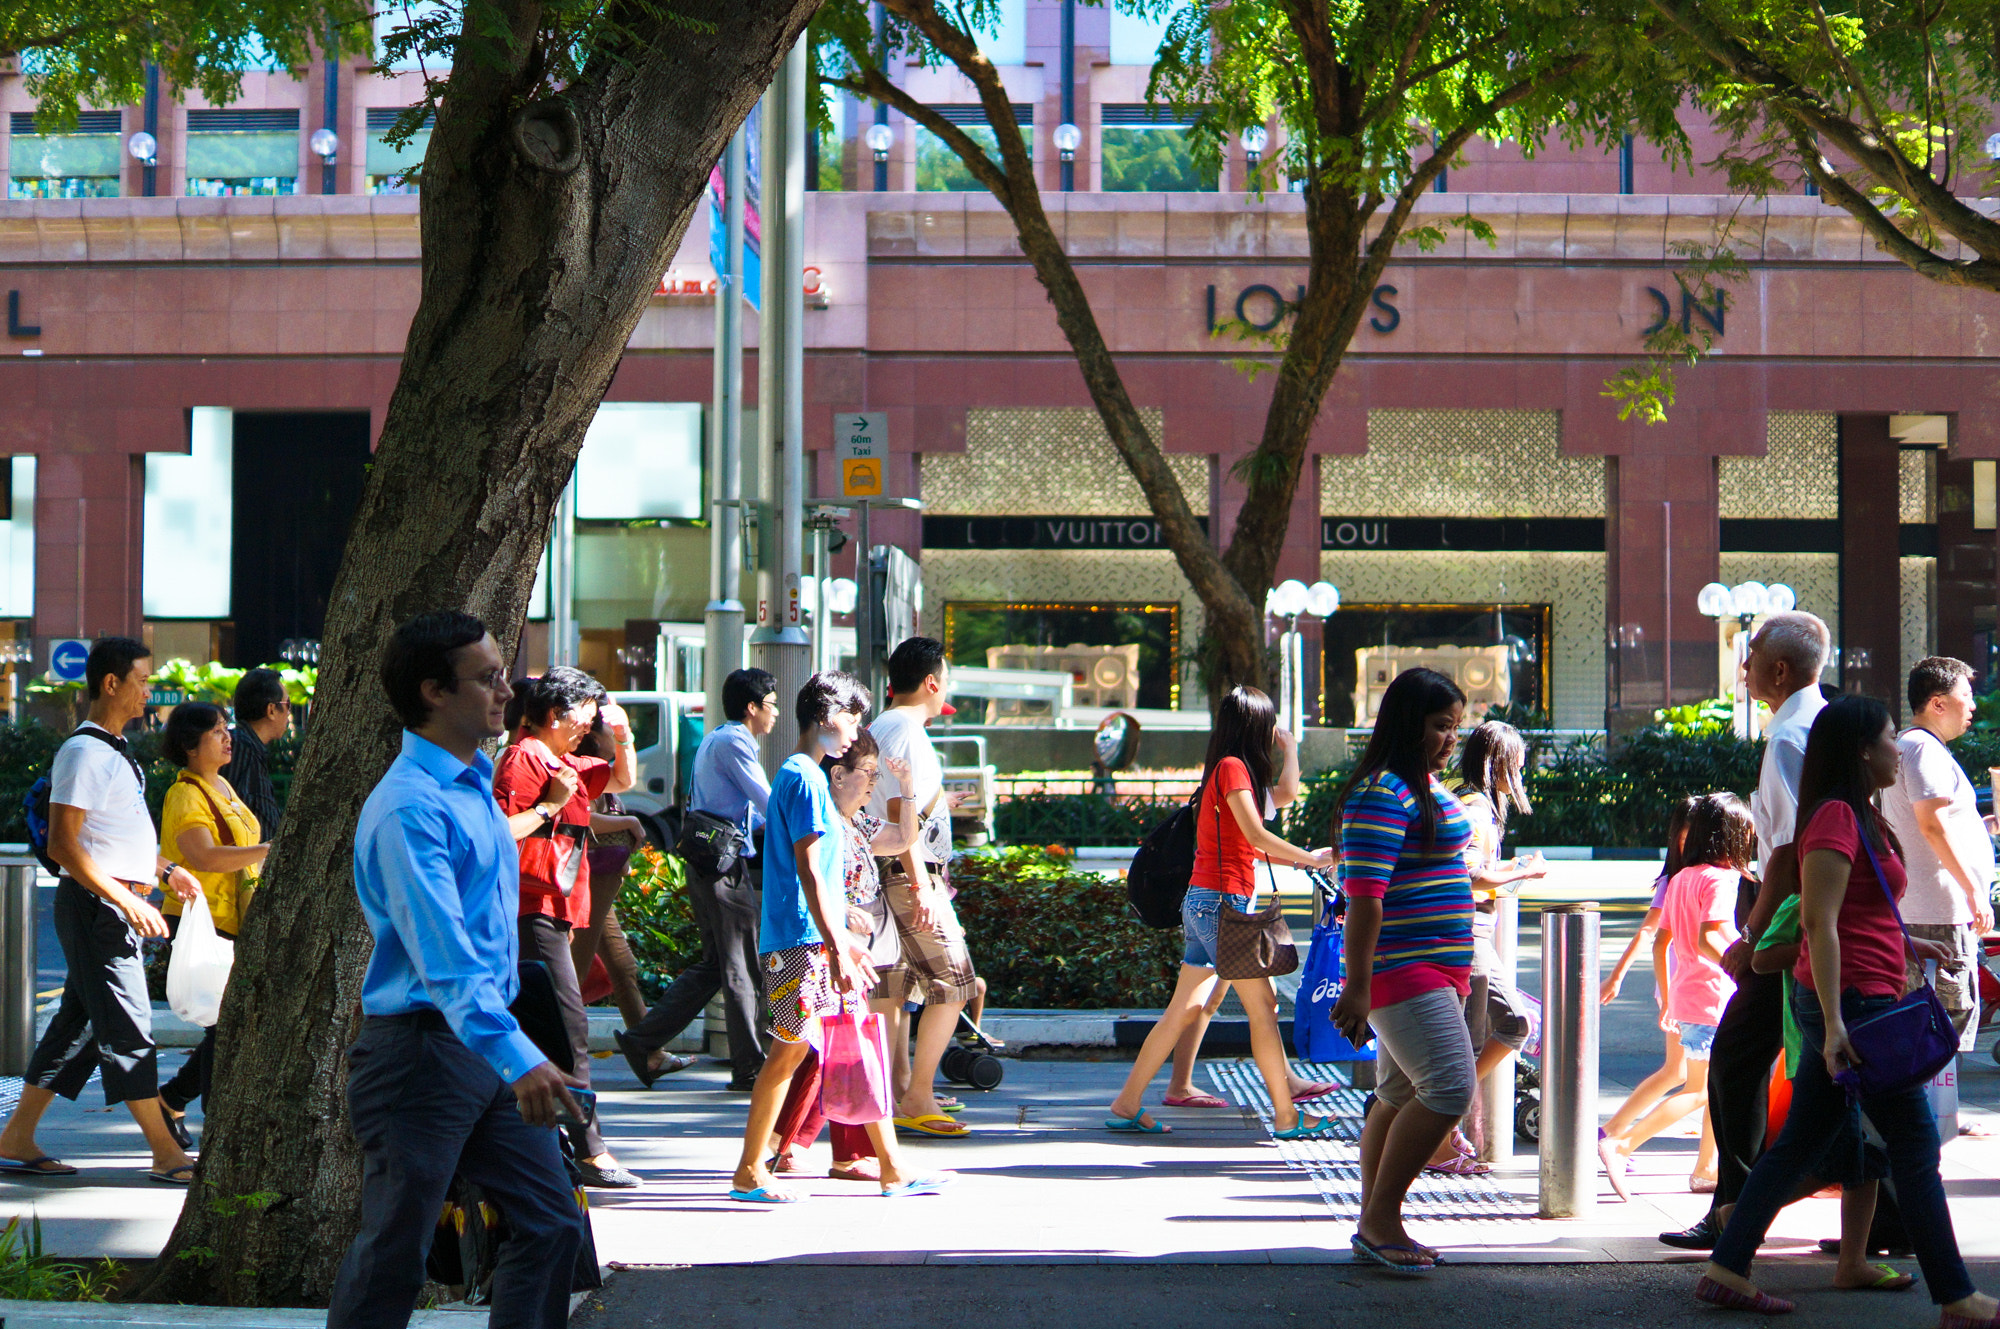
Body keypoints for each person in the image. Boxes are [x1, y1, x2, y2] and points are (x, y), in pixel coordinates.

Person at [1695, 695, 2000, 1324]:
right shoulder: (1835, 816)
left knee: (1800, 1144)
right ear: (1862, 749)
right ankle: (1956, 1296)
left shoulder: (1858, 812)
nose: (1900, 748)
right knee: (1914, 1143)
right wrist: (1834, 1024)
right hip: (1854, 1004)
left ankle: (1727, 1266)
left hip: (1859, 997)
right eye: (1891, 738)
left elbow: (1854, 913)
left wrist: (1909, 942)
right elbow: (1818, 922)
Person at [327, 611, 585, 1329]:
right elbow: (446, 958)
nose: (509, 690)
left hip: (483, 1042)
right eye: (489, 677)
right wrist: (516, 1052)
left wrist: (512, 1048)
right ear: (435, 692)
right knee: (395, 1253)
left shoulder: (472, 786)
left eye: (503, 672)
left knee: (553, 1224)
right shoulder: (409, 806)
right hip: (420, 1053)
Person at [727, 670, 950, 1203]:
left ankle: (890, 1167)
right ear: (827, 714)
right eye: (852, 719)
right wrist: (835, 943)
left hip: (814, 941)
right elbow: (809, 871)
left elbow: (820, 874)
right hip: (802, 943)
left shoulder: (802, 773)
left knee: (851, 1048)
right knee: (789, 1052)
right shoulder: (802, 777)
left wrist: (838, 943)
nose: (855, 732)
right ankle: (751, 1170)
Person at [0, 638, 200, 1184]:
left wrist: (161, 871)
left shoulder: (114, 750)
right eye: (141, 679)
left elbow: (111, 836)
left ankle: (16, 1135)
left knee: (80, 1027)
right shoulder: (85, 752)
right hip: (96, 909)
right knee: (130, 1028)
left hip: (108, 905)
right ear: (111, 683)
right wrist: (126, 898)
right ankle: (164, 1151)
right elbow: (67, 846)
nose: (147, 691)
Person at [1663, 610, 1829, 1250]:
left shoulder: (1790, 737)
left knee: (1739, 1062)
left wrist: (1751, 938)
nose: (1743, 668)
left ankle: (1738, 1209)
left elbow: (1786, 852)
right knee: (1798, 1066)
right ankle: (1741, 1206)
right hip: (1809, 911)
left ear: (1779, 670)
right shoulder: (1817, 722)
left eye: (1750, 655)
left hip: (1788, 912)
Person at [1105, 687, 1334, 1138]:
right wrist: (1310, 858)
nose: (1272, 730)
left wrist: (1308, 857)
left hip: (1208, 902)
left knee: (1182, 1012)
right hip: (1222, 905)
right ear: (1254, 725)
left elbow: (1251, 839)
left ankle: (1126, 1102)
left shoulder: (1229, 770)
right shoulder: (1232, 770)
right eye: (1268, 722)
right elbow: (1257, 836)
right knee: (1263, 1008)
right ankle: (1287, 1117)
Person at [1328, 667, 1476, 1273]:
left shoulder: (1421, 785)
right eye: (1441, 725)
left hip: (1437, 969)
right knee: (1448, 1089)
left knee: (1395, 1092)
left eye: (1457, 727)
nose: (1450, 737)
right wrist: (1356, 989)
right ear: (1407, 722)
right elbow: (1365, 896)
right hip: (1403, 969)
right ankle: (1382, 1218)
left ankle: (1373, 1219)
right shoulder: (1381, 791)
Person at [493, 667, 639, 1188]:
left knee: (553, 1028)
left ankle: (545, 1143)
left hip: (555, 912)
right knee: (570, 1029)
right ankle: (590, 1149)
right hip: (532, 911)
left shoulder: (561, 760)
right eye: (583, 714)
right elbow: (500, 835)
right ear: (554, 715)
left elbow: (622, 781)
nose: (588, 724)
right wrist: (549, 804)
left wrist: (619, 731)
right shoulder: (526, 759)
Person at [768, 732, 922, 1180]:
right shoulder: (821, 818)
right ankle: (794, 1147)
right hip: (826, 944)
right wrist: (839, 919)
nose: (874, 782)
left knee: (833, 1047)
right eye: (868, 773)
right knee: (823, 1048)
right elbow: (808, 876)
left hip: (847, 947)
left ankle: (806, 1148)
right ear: (837, 775)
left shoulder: (856, 824)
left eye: (877, 773)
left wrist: (907, 789)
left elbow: (903, 837)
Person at [617, 667, 778, 1092]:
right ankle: (748, 1068)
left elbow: (754, 811)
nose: (775, 714)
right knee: (742, 966)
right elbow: (769, 802)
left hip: (709, 863)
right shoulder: (735, 742)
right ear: (752, 707)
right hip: (723, 867)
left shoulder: (717, 737)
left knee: (714, 966)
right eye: (772, 704)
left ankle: (640, 1041)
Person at [1600, 792, 1753, 1199]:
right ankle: (1622, 1143)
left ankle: (1706, 1169)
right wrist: (1742, 967)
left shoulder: (1681, 878)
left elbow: (1663, 941)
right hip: (1711, 995)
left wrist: (1669, 999)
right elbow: (1710, 937)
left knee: (1709, 1088)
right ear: (1732, 836)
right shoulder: (1722, 878)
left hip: (1689, 995)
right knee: (1700, 1090)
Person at [868, 638, 981, 1138]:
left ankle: (897, 1093)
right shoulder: (905, 731)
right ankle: (916, 1096)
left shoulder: (886, 727)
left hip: (887, 874)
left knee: (894, 990)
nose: (945, 692)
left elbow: (901, 808)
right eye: (945, 682)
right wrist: (922, 887)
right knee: (954, 982)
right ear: (932, 682)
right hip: (908, 874)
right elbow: (899, 818)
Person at [156, 702, 272, 1146]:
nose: (227, 738)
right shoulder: (184, 794)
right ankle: (215, 1126)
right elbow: (203, 856)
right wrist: (266, 851)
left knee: (226, 1024)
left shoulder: (221, 784)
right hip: (201, 920)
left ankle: (173, 1100)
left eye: (227, 729)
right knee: (225, 1026)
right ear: (190, 745)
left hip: (230, 920)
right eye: (217, 732)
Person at [1432, 720, 1546, 1171]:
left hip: (1464, 927)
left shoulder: (1458, 789)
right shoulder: (1477, 806)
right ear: (1498, 762)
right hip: (1468, 930)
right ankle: (1441, 1126)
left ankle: (1443, 1120)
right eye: (1516, 761)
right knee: (1500, 1028)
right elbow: (1471, 873)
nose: (1520, 771)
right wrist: (1524, 872)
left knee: (1482, 1034)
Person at [1881, 657, 1996, 1056]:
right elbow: (1931, 824)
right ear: (1937, 703)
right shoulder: (1922, 749)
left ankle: (1937, 1118)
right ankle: (1937, 1119)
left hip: (1930, 911)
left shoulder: (1916, 749)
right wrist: (1974, 892)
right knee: (1945, 1025)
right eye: (1966, 695)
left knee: (1934, 1027)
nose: (1973, 706)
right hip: (1937, 916)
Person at [1599, 797, 1709, 1189]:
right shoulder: (1677, 879)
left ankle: (1706, 1166)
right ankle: (1615, 1136)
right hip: (1687, 990)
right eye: (1689, 830)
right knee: (1694, 1080)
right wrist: (1616, 977)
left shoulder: (1689, 876)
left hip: (1686, 988)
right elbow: (1651, 934)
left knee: (1681, 1074)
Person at [569, 713, 652, 1033]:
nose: (614, 737)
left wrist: (625, 733)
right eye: (609, 731)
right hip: (591, 879)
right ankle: (559, 1054)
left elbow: (626, 778)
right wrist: (628, 823)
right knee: (575, 973)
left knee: (622, 965)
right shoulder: (583, 770)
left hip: (601, 880)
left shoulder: (599, 770)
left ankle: (648, 1050)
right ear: (593, 736)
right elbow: (583, 817)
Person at [221, 666, 289, 836]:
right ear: (271, 710)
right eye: (287, 704)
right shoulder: (240, 748)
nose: (289, 713)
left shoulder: (249, 747)